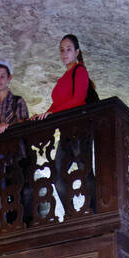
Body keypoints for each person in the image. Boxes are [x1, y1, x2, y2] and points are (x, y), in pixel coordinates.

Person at [35, 33, 98, 218]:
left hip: (80, 128)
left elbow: (78, 99)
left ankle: (94, 210)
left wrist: (53, 113)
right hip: (66, 131)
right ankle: (71, 212)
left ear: (77, 52)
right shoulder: (64, 78)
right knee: (57, 174)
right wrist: (44, 114)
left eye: (68, 49)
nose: (64, 53)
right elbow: (56, 105)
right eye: (62, 50)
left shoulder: (80, 71)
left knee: (85, 170)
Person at [0, 60, 29, 132]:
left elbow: (23, 124)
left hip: (15, 142)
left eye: (2, 76)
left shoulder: (18, 101)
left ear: (9, 78)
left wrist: (8, 126)